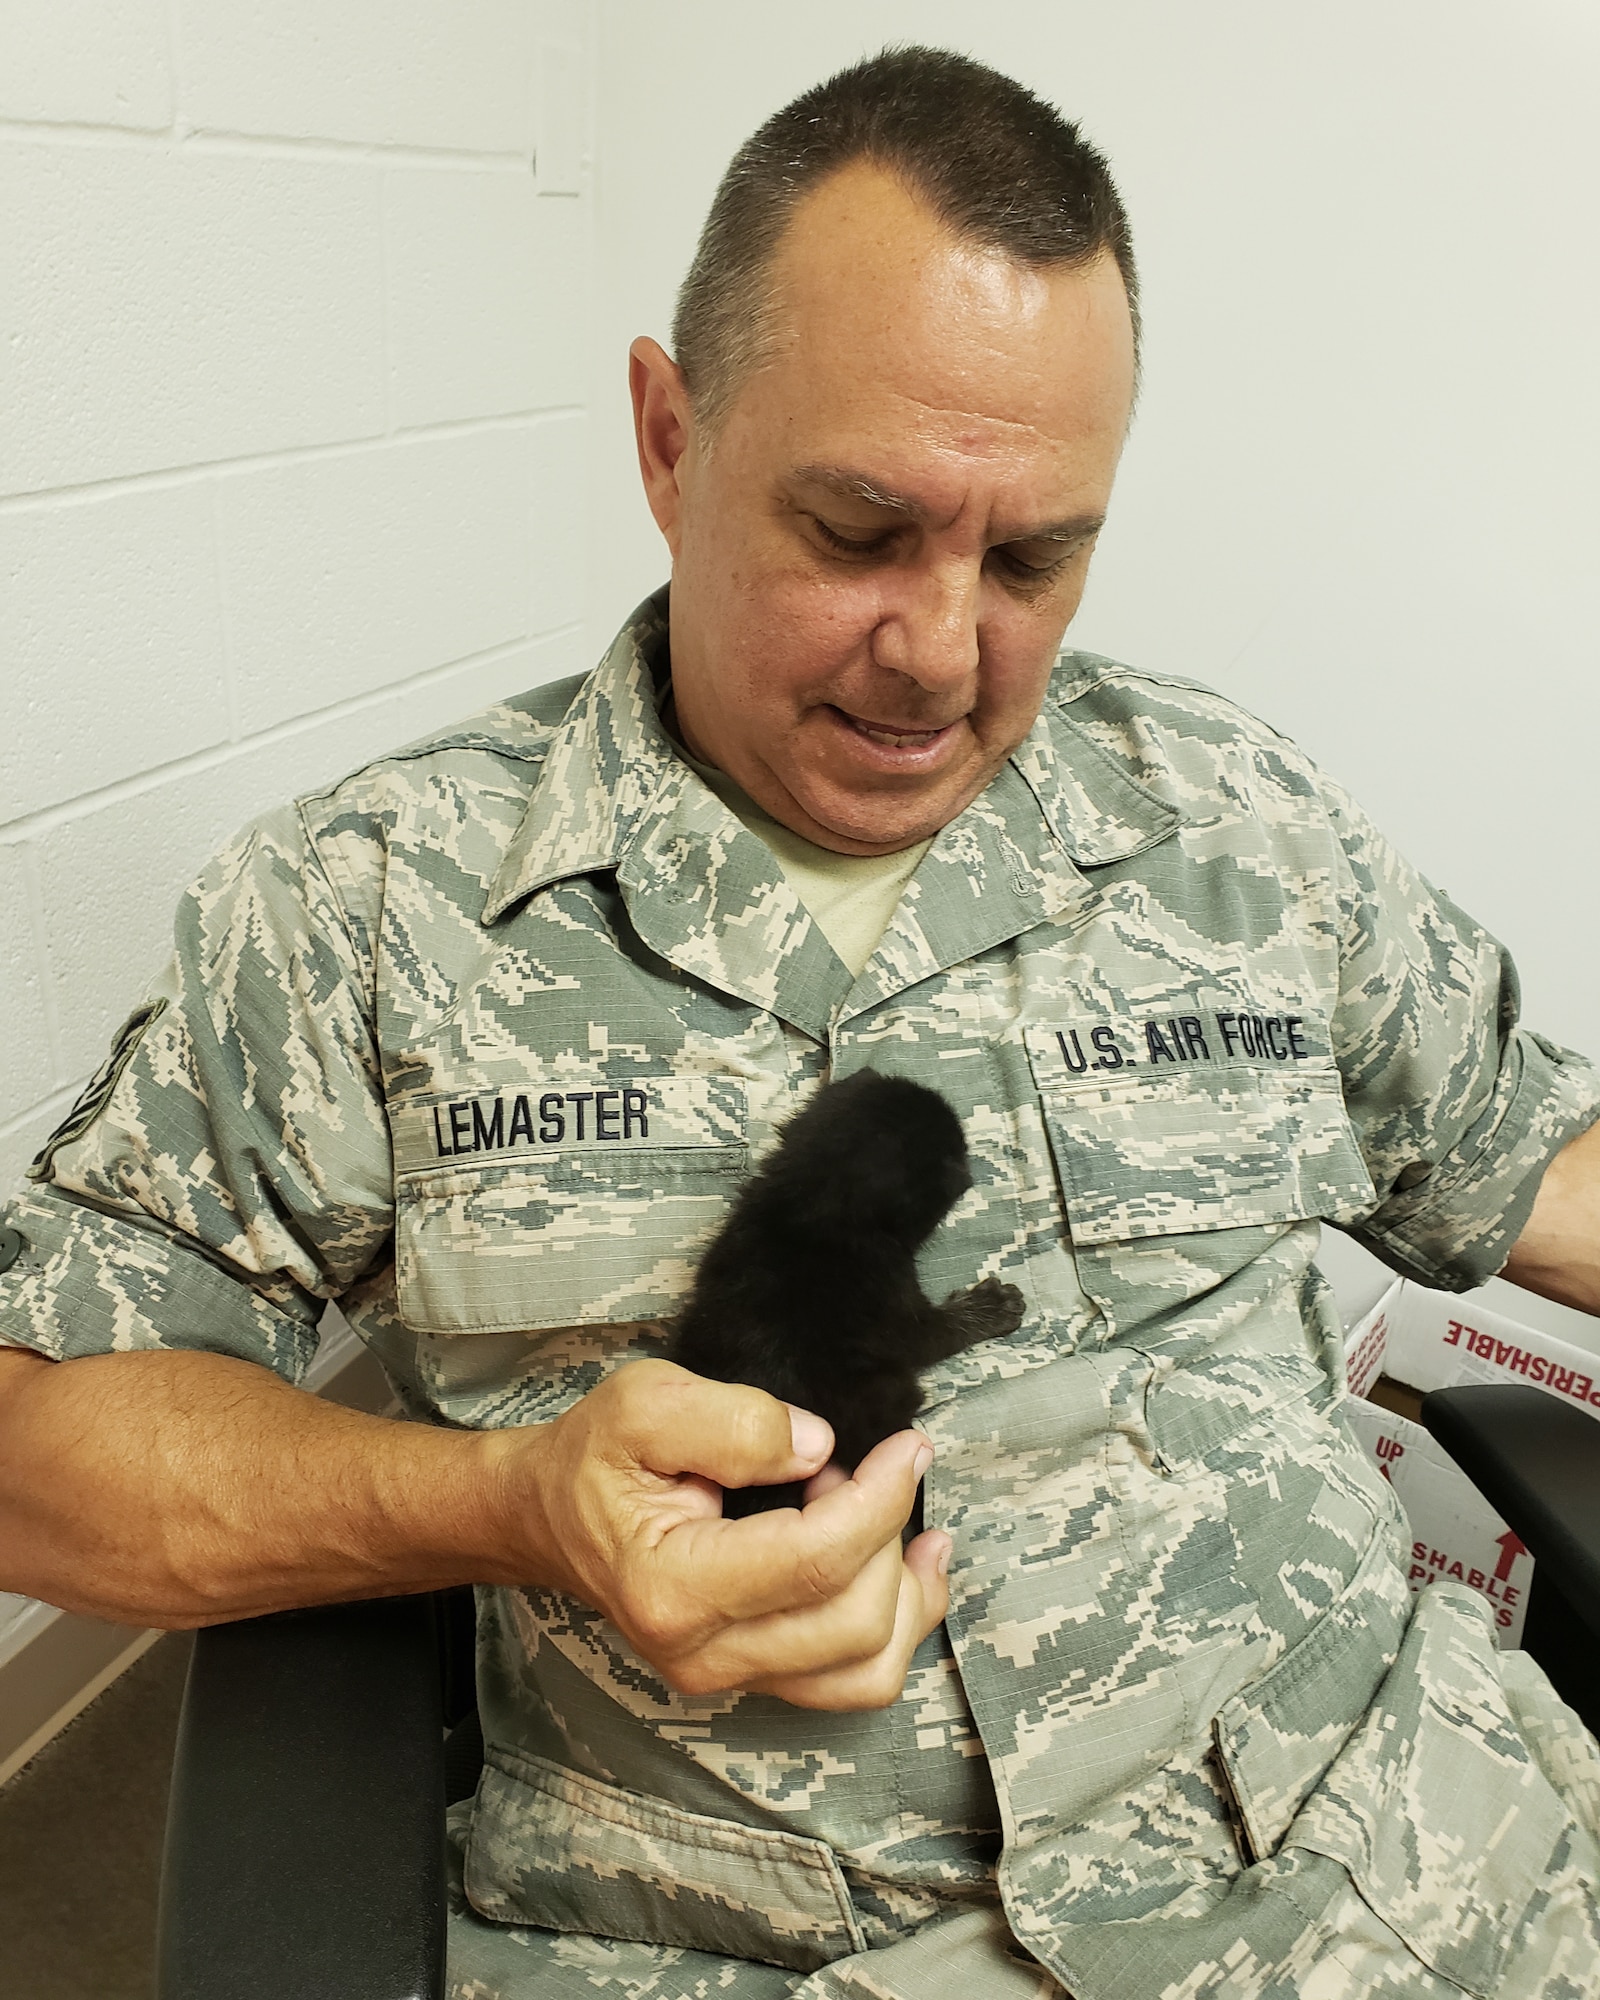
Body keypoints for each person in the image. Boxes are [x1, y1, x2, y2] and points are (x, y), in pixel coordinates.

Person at [1, 45, 1598, 2000]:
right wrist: (510, 1503)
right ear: (668, 439)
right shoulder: (368, 906)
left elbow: (1527, 1156)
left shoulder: (1227, 816)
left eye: (1030, 557)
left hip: (1407, 1876)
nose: (943, 655)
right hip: (756, 1950)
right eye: (856, 530)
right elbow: (32, 1438)